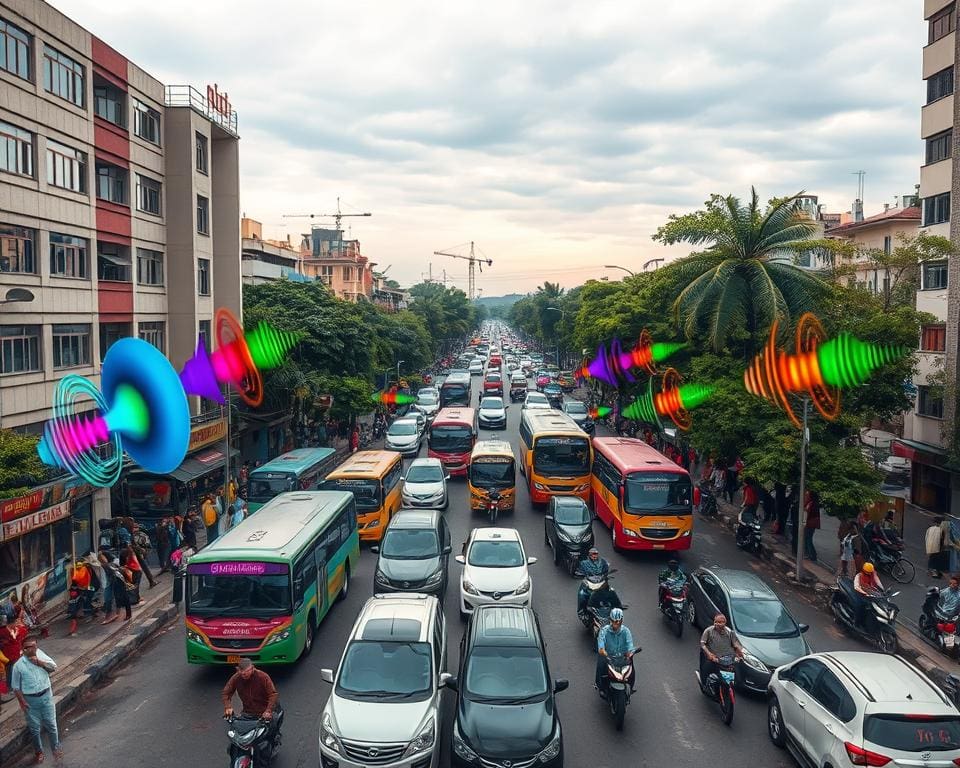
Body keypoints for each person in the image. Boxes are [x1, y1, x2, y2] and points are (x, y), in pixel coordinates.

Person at [12, 638, 62, 763]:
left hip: (46, 696)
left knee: (52, 725)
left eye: (33, 646)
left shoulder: (41, 655)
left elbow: (54, 667)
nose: (31, 649)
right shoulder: (18, 666)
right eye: (27, 647)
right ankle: (39, 751)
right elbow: (16, 687)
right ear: (23, 650)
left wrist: (40, 662)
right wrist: (22, 702)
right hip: (30, 700)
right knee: (35, 729)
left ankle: (56, 749)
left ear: (36, 646)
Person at [222, 658, 283, 751]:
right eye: (241, 673)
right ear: (238, 670)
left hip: (264, 712)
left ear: (252, 668)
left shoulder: (263, 677)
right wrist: (228, 707)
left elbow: (273, 694)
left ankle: (273, 745)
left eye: (246, 672)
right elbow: (226, 692)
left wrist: (268, 711)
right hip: (247, 712)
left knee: (272, 727)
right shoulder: (236, 677)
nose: (244, 675)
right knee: (236, 733)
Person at [595, 608, 636, 694]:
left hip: (623, 657)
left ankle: (630, 686)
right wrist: (603, 651)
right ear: (610, 620)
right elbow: (601, 645)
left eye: (618, 621)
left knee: (632, 666)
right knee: (601, 662)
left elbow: (630, 644)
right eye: (614, 621)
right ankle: (600, 685)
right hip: (609, 657)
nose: (616, 624)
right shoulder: (604, 631)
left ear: (621, 621)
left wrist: (630, 652)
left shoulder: (626, 631)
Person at [699, 613, 743, 686]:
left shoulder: (729, 632)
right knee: (706, 669)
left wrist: (739, 653)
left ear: (724, 623)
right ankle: (704, 684)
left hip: (724, 657)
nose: (717, 624)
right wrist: (709, 654)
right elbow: (702, 643)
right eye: (716, 622)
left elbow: (735, 644)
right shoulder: (708, 631)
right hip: (709, 654)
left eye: (720, 622)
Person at [576, 548, 610, 617]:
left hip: (600, 583)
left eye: (596, 554)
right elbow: (579, 571)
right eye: (593, 554)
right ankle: (581, 612)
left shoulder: (602, 562)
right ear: (589, 555)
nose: (595, 556)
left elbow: (606, 570)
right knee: (582, 594)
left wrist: (605, 576)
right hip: (589, 583)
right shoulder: (584, 563)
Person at [853, 562, 884, 626]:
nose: (870, 574)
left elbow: (877, 581)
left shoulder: (873, 573)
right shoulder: (859, 576)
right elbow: (856, 587)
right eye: (868, 572)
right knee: (860, 606)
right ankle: (856, 622)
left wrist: (882, 589)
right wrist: (864, 593)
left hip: (870, 593)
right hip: (860, 594)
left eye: (871, 572)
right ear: (864, 571)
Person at [804, 491, 820, 562]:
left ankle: (812, 555)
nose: (806, 497)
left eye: (807, 496)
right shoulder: (814, 503)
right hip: (812, 524)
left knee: (808, 539)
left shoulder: (810, 504)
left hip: (809, 524)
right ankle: (810, 554)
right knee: (808, 539)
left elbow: (806, 513)